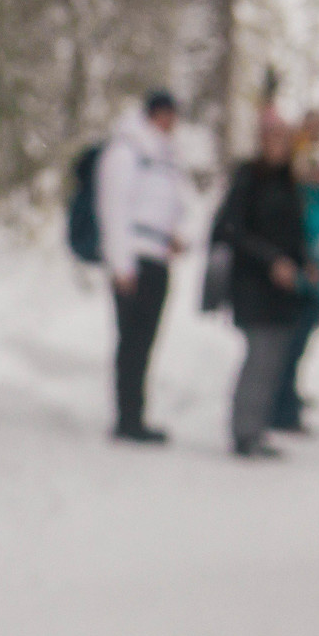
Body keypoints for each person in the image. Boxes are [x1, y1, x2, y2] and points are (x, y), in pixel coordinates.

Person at [213, 117, 310, 458]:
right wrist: (271, 260)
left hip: (283, 290)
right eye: (272, 139)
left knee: (274, 360)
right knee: (260, 357)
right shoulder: (248, 178)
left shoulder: (288, 182)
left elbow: (294, 233)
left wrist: (303, 263)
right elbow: (230, 230)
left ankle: (257, 428)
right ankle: (244, 432)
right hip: (252, 285)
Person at [97, 87, 188, 443]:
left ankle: (136, 413)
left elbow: (170, 204)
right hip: (133, 258)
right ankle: (127, 417)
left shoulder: (165, 156)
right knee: (132, 341)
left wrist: (175, 235)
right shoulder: (126, 151)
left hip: (157, 255)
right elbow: (114, 208)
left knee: (145, 341)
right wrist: (121, 264)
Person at [269, 109, 319, 434]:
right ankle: (281, 409)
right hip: (297, 282)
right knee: (288, 348)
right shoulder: (297, 197)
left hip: (318, 283)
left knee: (298, 349)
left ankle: (287, 399)